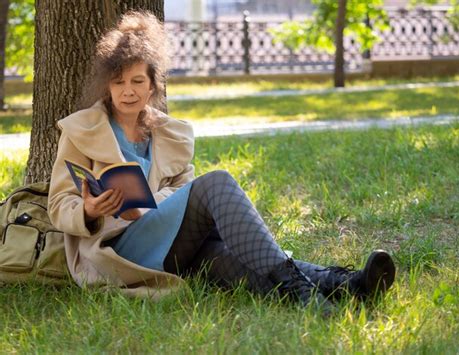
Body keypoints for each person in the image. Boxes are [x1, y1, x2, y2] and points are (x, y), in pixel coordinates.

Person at [48, 11, 395, 311]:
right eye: (119, 82)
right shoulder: (81, 130)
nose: (128, 91)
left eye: (138, 81)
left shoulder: (170, 133)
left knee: (232, 260)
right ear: (107, 87)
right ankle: (310, 289)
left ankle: (346, 286)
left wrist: (150, 207)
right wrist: (90, 210)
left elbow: (182, 191)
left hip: (171, 244)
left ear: (153, 85)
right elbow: (58, 204)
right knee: (216, 183)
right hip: (118, 252)